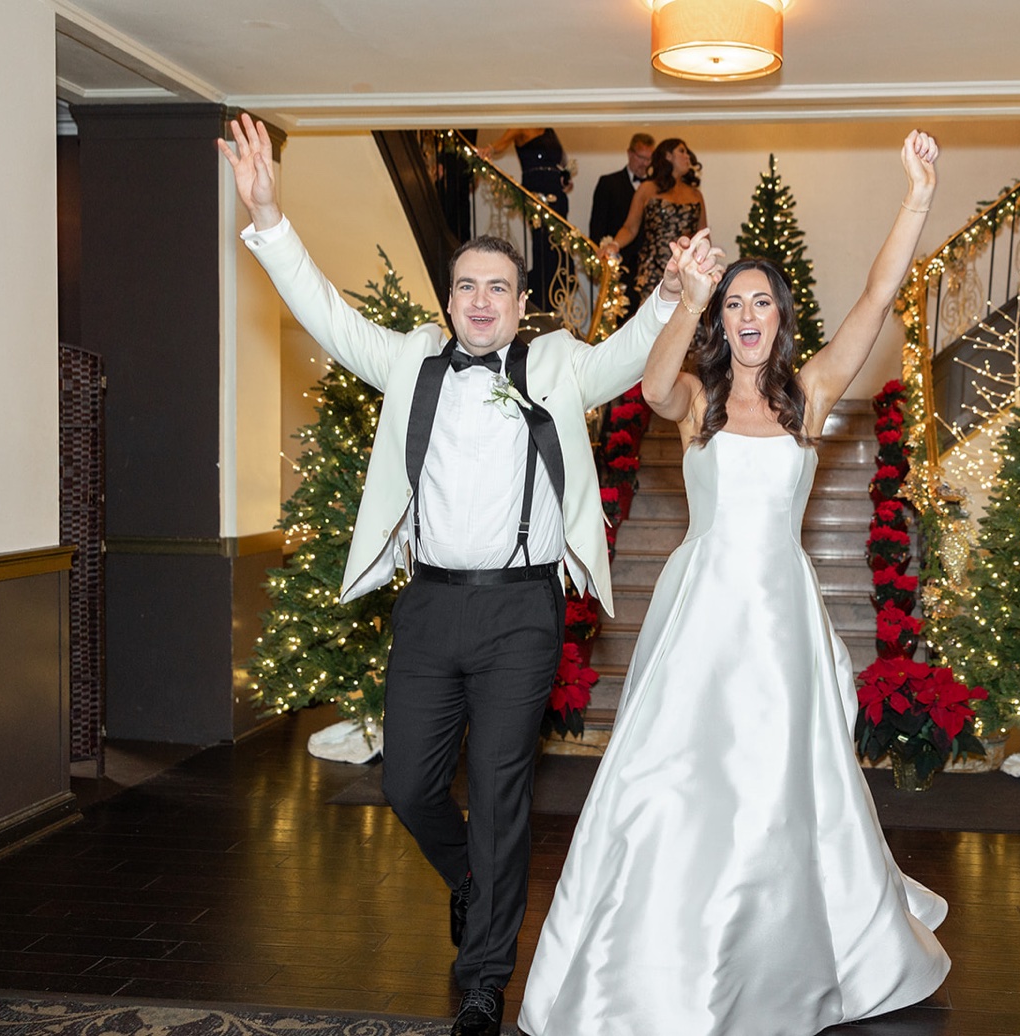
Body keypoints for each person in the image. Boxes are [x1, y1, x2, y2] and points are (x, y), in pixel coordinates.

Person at [217, 113, 719, 1036]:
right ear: (447, 298)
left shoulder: (557, 362)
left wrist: (674, 295)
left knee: (499, 791)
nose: (480, 300)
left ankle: (486, 975)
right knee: (408, 785)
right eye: (465, 286)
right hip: (431, 606)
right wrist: (269, 216)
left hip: (523, 611)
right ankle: (471, 882)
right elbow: (326, 311)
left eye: (497, 286)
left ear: (522, 297)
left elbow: (627, 361)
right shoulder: (410, 359)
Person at [518, 131, 948, 1036]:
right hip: (703, 611)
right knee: (676, 781)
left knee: (778, 787)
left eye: (761, 301)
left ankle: (778, 951)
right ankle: (657, 950)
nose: (748, 314)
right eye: (736, 303)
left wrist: (916, 195)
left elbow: (876, 298)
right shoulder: (699, 401)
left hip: (781, 618)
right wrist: (686, 295)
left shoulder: (814, 391)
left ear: (781, 317)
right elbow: (652, 376)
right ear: (725, 319)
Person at [600, 137, 706, 309]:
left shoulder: (695, 195)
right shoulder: (647, 189)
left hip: (686, 271)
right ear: (668, 156)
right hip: (653, 272)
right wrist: (614, 244)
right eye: (682, 151)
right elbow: (630, 227)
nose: (688, 157)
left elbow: (702, 234)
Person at [478, 128, 572, 311]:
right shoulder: (521, 127)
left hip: (557, 196)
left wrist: (562, 179)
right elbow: (501, 143)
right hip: (537, 194)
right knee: (544, 247)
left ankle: (551, 298)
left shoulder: (549, 130)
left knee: (559, 248)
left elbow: (560, 162)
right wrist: (488, 150)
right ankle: (540, 300)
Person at [587, 132, 655, 311]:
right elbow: (597, 224)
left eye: (650, 159)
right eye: (642, 157)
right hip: (619, 264)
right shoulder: (608, 183)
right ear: (630, 154)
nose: (646, 163)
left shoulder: (655, 188)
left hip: (646, 267)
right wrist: (598, 259)